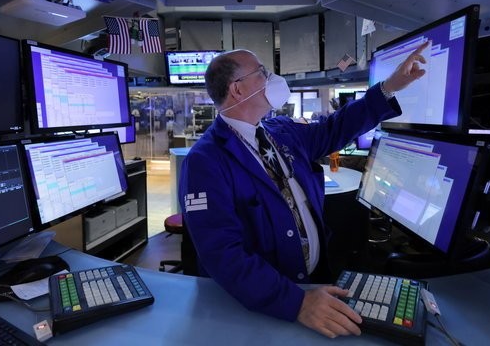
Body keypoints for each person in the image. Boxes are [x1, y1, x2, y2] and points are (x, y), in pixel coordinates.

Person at [178, 44, 428, 338]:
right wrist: (296, 303)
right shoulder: (205, 161)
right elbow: (223, 255)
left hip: (315, 283)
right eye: (262, 72)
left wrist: (388, 88)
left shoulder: (282, 130)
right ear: (237, 89)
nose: (272, 78)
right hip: (272, 303)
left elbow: (335, 127)